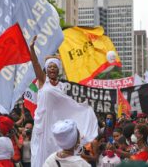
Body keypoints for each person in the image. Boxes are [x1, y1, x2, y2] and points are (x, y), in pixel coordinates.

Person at [29, 36, 98, 167]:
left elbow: (67, 106)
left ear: (58, 69)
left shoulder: (63, 86)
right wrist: (31, 49)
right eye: (50, 67)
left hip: (56, 125)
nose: (52, 69)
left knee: (57, 153)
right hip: (43, 124)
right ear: (46, 70)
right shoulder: (43, 81)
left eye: (55, 67)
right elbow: (35, 64)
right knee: (41, 154)